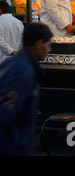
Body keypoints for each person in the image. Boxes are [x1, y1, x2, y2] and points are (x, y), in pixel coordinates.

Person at [0, 22, 53, 156]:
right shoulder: (23, 71)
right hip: (14, 146)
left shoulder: (14, 63)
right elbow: (5, 114)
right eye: (48, 45)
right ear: (39, 44)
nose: (49, 49)